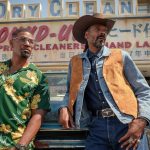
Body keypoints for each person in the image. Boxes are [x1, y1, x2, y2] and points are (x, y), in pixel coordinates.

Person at [59, 13, 150, 150]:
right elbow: (69, 92)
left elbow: (143, 90)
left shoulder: (121, 56)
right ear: (86, 35)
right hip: (96, 127)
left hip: (126, 124)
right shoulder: (75, 62)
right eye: (97, 29)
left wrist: (142, 120)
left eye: (104, 30)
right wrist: (64, 107)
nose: (102, 33)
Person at [0, 28, 50, 150]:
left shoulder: (39, 77)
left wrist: (21, 145)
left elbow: (38, 115)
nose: (27, 44)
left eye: (31, 42)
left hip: (16, 143)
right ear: (12, 43)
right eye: (22, 39)